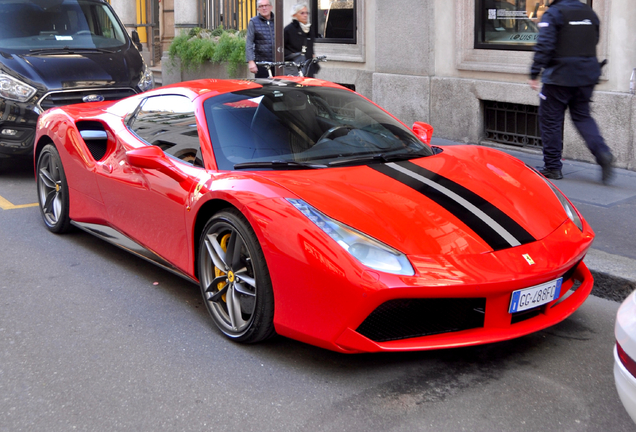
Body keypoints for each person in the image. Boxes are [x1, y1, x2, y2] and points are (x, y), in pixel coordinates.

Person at [529, 0, 614, 184]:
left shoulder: (554, 13)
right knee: (583, 116)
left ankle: (552, 167)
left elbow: (544, 45)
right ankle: (603, 153)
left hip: (560, 76)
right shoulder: (589, 12)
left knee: (550, 120)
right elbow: (595, 39)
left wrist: (534, 73)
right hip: (587, 74)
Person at [283, 3, 317, 77]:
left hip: (308, 66)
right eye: (302, 13)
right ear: (295, 15)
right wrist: (292, 54)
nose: (305, 15)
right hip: (294, 67)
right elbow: (281, 48)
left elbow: (311, 47)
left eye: (307, 13)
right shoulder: (289, 29)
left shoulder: (310, 29)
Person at [246, 0, 275, 78]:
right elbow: (249, 43)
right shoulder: (253, 22)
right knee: (263, 88)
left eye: (266, 5)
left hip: (277, 63)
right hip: (262, 64)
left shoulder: (277, 21)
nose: (264, 8)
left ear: (271, 7)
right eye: (261, 6)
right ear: (257, 9)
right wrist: (251, 62)